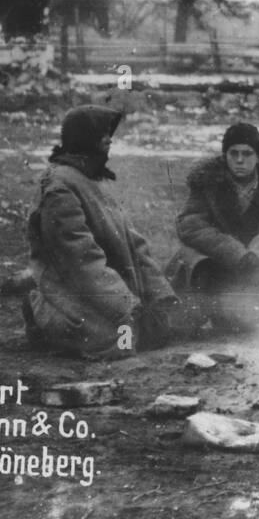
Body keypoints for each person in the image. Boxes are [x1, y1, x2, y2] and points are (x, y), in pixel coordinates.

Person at [24, 105, 179, 359]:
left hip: (105, 289)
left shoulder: (95, 178)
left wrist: (159, 294)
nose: (109, 139)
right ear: (82, 137)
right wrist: (126, 303)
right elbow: (80, 261)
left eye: (109, 132)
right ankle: (40, 310)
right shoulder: (59, 188)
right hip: (72, 286)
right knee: (115, 341)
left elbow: (134, 243)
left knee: (159, 329)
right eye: (101, 133)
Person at [165, 123, 259, 323]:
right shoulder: (208, 184)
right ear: (225, 155)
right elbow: (191, 223)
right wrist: (233, 252)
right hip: (218, 260)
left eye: (247, 153)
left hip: (256, 265)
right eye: (233, 153)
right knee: (190, 258)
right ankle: (193, 316)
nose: (240, 160)